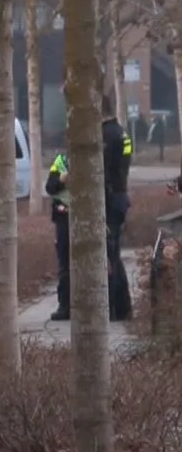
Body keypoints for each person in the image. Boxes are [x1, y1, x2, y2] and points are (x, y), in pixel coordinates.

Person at [102, 100, 134, 321]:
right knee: (114, 255)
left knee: (109, 256)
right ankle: (123, 307)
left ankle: (114, 308)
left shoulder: (106, 135)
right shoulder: (121, 133)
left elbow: (103, 174)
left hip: (111, 200)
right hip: (120, 196)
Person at [45, 150, 72, 320]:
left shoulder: (96, 152)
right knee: (65, 263)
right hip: (64, 217)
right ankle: (65, 305)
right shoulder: (62, 160)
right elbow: (50, 187)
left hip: (89, 217)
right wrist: (62, 179)